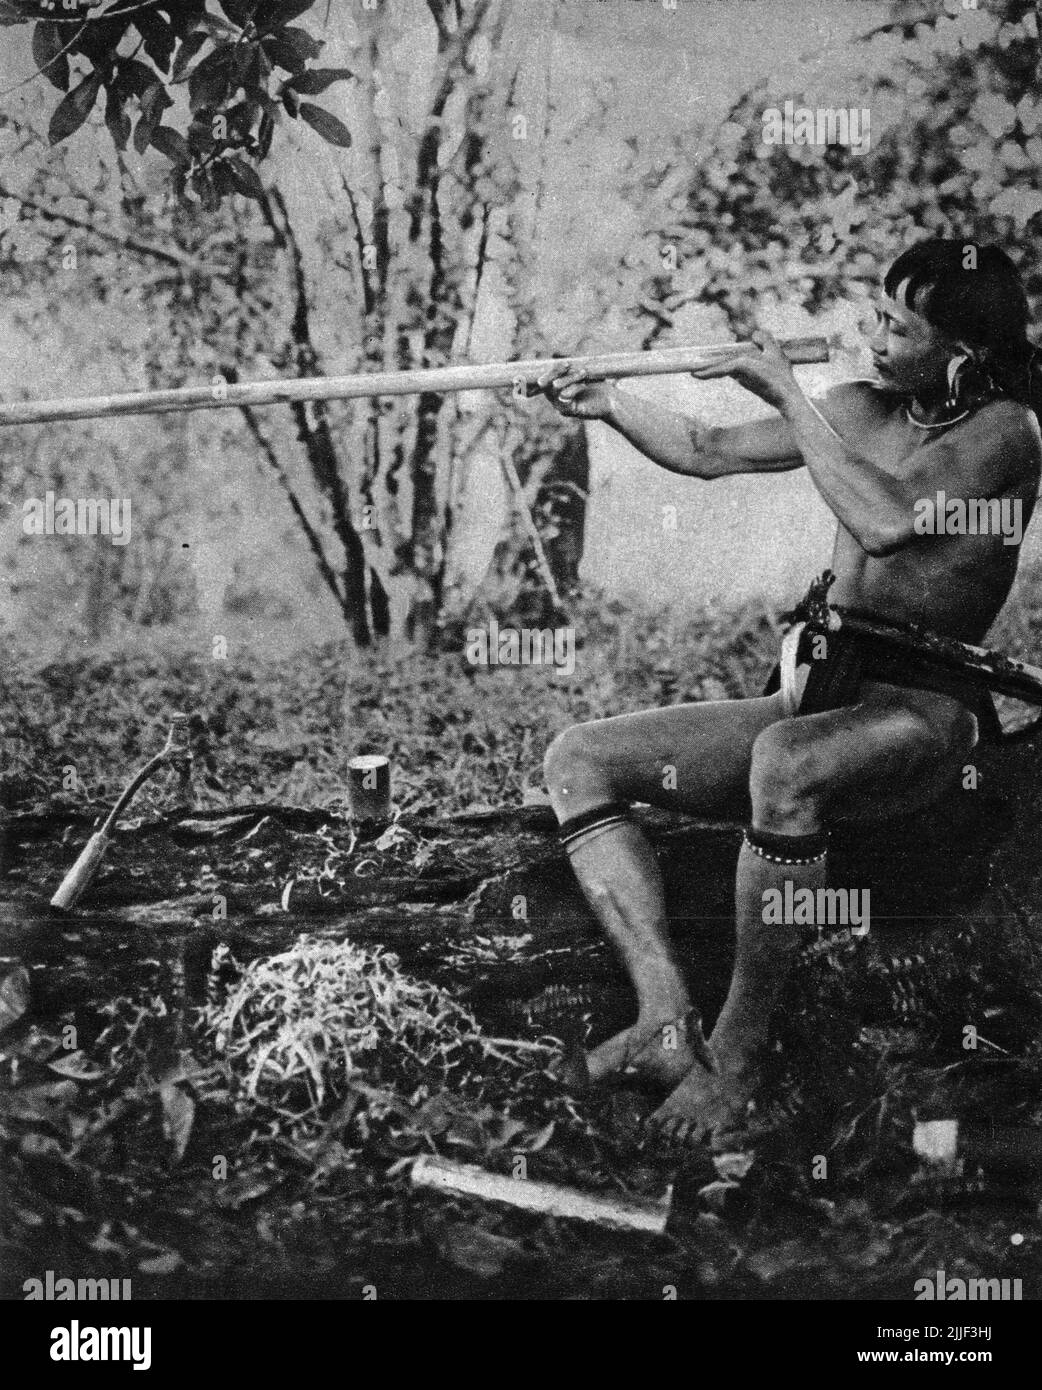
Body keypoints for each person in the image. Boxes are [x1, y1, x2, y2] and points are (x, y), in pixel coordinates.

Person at [536, 240, 1042, 1144]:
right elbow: (703, 449)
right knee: (579, 757)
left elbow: (886, 522)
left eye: (896, 326)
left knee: (785, 762)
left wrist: (790, 399)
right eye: (873, 315)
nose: (870, 337)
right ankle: (663, 1017)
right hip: (819, 692)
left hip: (921, 711)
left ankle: (738, 1060)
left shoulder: (1004, 433)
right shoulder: (858, 408)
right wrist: (608, 403)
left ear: (962, 353)